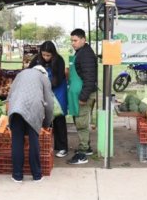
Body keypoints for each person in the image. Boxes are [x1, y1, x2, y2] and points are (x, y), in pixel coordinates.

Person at [6, 65, 53, 183]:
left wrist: (8, 118)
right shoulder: (44, 78)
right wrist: (47, 123)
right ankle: (37, 175)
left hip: (16, 108)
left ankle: (17, 176)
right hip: (34, 109)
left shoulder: (20, 74)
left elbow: (9, 96)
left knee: (17, 141)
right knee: (33, 141)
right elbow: (50, 103)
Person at [28, 41, 69, 158]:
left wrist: (45, 84)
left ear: (53, 54)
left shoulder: (59, 60)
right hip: (43, 91)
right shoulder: (36, 59)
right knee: (44, 119)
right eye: (44, 55)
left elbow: (58, 79)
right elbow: (29, 72)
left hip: (57, 92)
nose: (45, 57)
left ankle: (62, 147)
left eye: (48, 55)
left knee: (58, 118)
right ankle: (46, 145)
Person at [67, 28, 97, 165]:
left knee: (82, 123)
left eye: (75, 40)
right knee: (80, 121)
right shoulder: (80, 52)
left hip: (84, 95)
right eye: (71, 40)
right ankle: (87, 146)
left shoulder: (86, 55)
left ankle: (83, 152)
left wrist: (83, 97)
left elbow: (90, 78)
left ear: (83, 40)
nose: (73, 43)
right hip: (79, 94)